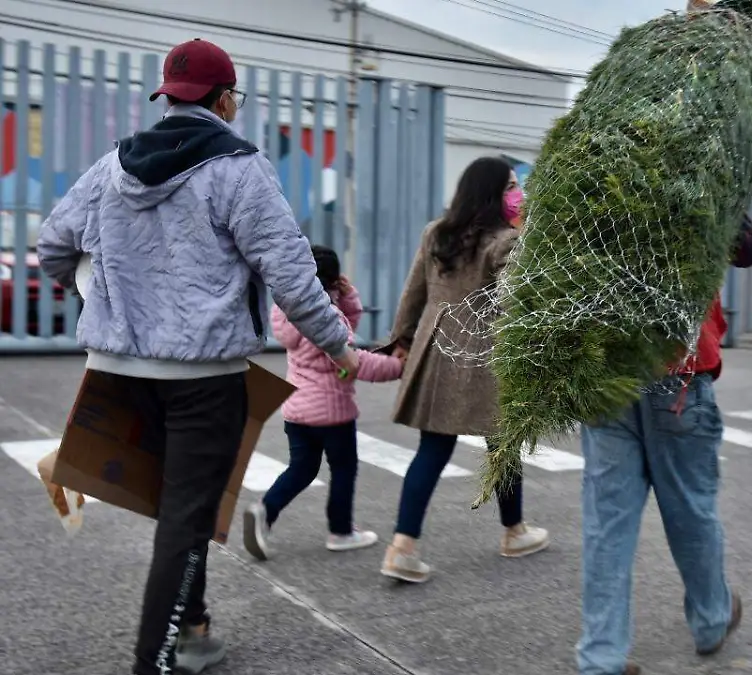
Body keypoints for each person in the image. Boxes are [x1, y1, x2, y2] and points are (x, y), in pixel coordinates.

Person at [36, 38, 359, 675]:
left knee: (182, 503)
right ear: (224, 100)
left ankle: (197, 625)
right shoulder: (240, 169)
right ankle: (156, 661)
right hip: (203, 377)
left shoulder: (112, 166)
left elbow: (53, 244)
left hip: (118, 368)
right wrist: (339, 347)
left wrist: (84, 284)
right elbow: (293, 276)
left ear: (169, 96)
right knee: (185, 517)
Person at [575, 214, 752, 675]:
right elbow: (746, 249)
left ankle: (601, 659)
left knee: (607, 525)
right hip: (675, 375)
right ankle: (712, 620)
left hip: (605, 374)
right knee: (691, 511)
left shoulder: (588, 179)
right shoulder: (696, 168)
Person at [380, 156, 549, 583]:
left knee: (432, 451)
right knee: (503, 446)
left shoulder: (436, 233)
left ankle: (403, 546)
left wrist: (401, 340)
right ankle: (514, 532)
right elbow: (516, 303)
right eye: (511, 184)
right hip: (484, 355)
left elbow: (412, 292)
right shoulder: (505, 242)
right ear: (493, 191)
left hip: (435, 351)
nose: (518, 192)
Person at [243, 245, 406, 562]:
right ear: (332, 280)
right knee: (344, 469)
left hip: (297, 411)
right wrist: (401, 367)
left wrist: (347, 298)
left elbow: (346, 329)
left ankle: (265, 510)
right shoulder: (327, 316)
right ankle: (341, 531)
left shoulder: (290, 311)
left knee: (302, 469)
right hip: (332, 414)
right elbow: (355, 361)